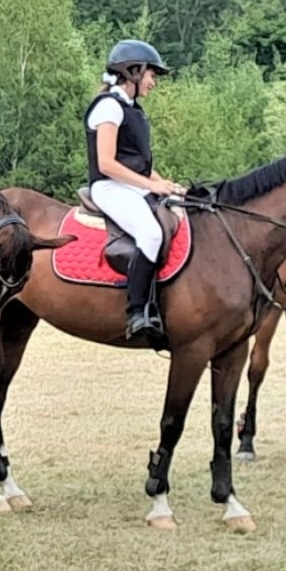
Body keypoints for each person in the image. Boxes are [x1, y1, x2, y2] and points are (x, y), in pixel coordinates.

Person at [84, 39, 186, 346]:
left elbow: (138, 164)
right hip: (108, 187)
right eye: (152, 75)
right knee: (151, 234)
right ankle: (137, 311)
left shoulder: (133, 110)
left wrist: (167, 185)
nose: (154, 82)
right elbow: (106, 163)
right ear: (134, 71)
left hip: (129, 185)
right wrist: (152, 186)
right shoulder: (109, 107)